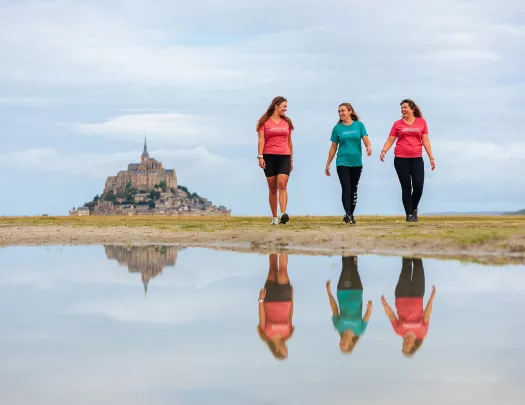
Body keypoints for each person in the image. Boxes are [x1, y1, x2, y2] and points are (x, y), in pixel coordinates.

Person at [380, 99, 435, 222]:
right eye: (402, 108)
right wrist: (384, 150)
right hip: (400, 159)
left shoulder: (422, 122)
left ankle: (414, 208)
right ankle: (409, 214)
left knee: (418, 186)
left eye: (405, 107)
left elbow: (425, 140)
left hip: (417, 158)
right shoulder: (397, 124)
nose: (403, 110)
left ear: (412, 109)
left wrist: (431, 157)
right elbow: (391, 139)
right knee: (406, 187)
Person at [325, 103, 372, 224]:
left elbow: (365, 138)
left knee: (353, 189)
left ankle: (351, 214)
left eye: (343, 111)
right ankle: (348, 214)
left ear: (350, 111)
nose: (340, 113)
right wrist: (328, 163)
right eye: (339, 111)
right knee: (346, 188)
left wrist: (368, 147)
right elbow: (333, 147)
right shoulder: (337, 128)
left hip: (356, 162)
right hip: (342, 162)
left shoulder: (359, 125)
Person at [381, 257, 436, 357]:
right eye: (407, 346)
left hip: (401, 295)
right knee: (418, 268)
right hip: (417, 296)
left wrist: (385, 304)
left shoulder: (399, 331)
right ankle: (417, 248)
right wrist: (432, 297)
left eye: (403, 345)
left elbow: (391, 316)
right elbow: (427, 315)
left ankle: (406, 249)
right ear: (413, 345)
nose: (404, 344)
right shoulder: (422, 333)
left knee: (406, 269)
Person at [257, 96, 294, 225]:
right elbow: (261, 140)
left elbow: (290, 142)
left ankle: (283, 214)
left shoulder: (287, 123)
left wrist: (291, 159)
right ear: (276, 106)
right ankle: (274, 217)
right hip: (269, 156)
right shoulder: (264, 122)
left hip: (284, 156)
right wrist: (260, 156)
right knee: (272, 188)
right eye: (284, 106)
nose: (286, 109)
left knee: (282, 185)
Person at [326, 256, 372, 354]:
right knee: (354, 267)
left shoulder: (338, 327)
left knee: (346, 266)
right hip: (357, 291)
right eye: (344, 344)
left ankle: (345, 246)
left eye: (340, 344)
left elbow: (334, 308)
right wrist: (369, 308)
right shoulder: (360, 331)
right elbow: (367, 317)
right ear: (351, 344)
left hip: (343, 291)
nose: (341, 342)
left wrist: (329, 292)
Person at [257, 253, 294, 360]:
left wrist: (261, 300)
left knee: (273, 269)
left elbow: (262, 317)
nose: (286, 347)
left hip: (269, 299)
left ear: (277, 350)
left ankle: (273, 245)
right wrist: (292, 295)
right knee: (282, 272)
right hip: (285, 300)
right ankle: (283, 247)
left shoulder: (265, 335)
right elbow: (290, 314)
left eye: (284, 350)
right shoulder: (288, 334)